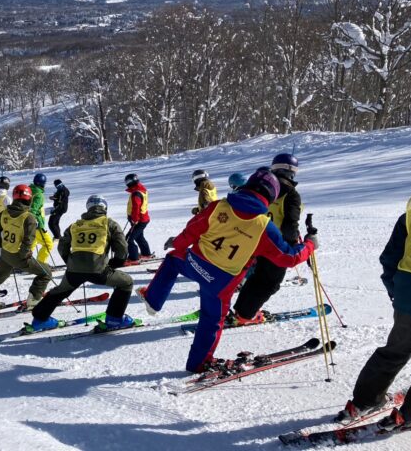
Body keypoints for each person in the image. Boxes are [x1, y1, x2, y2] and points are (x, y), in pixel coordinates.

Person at [137, 168, 317, 373]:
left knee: (172, 259)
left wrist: (177, 243)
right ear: (271, 197)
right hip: (220, 282)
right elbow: (289, 257)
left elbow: (191, 230)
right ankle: (199, 363)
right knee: (211, 321)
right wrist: (310, 245)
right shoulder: (264, 226)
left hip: (194, 263)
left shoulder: (218, 206)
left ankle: (152, 299)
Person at [334, 164, 411, 431]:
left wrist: (397, 291)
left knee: (395, 349)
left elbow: (390, 256)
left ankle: (362, 401)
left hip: (407, 294)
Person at [29, 195, 134, 332]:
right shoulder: (109, 223)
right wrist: (116, 262)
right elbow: (122, 248)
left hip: (74, 271)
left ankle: (39, 319)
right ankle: (114, 320)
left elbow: (62, 246)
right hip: (99, 271)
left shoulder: (75, 225)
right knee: (126, 283)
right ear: (105, 208)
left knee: (60, 291)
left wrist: (70, 261)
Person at [231, 153, 302, 324]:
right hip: (276, 244)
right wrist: (293, 244)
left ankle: (242, 309)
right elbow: (290, 224)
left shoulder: (264, 186)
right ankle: (245, 315)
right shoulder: (291, 194)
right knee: (270, 282)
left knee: (257, 277)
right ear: (292, 172)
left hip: (254, 239)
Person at [0, 184, 53, 313]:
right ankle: (34, 301)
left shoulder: (4, 213)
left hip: (6, 253)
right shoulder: (29, 218)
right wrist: (24, 254)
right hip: (19, 256)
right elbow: (28, 240)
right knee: (46, 273)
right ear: (29, 199)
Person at [125, 173, 152, 261]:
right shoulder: (140, 190)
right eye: (126, 181)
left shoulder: (136, 193)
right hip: (143, 219)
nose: (127, 183)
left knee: (129, 239)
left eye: (128, 181)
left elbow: (136, 207)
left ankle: (133, 258)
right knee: (139, 237)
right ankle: (146, 254)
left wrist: (134, 219)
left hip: (139, 220)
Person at [30, 173, 56, 264]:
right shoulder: (38, 195)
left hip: (28, 224)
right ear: (42, 183)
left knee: (32, 244)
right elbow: (33, 209)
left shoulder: (29, 190)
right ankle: (40, 264)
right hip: (36, 224)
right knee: (48, 244)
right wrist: (34, 221)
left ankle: (24, 263)